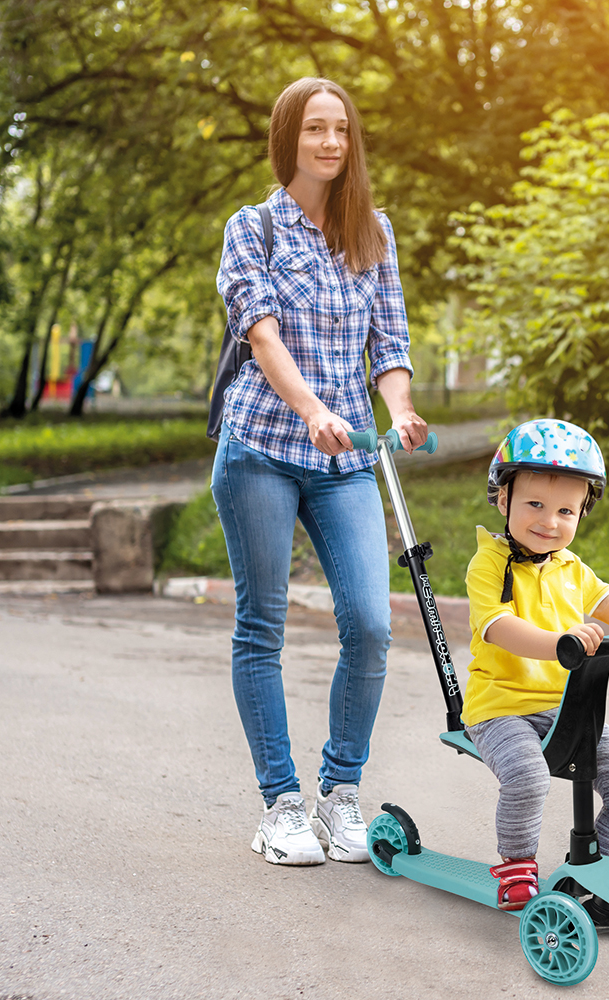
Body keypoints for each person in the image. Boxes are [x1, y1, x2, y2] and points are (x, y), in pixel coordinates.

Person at [212, 77, 428, 867]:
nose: (330, 143)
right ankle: (281, 804)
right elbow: (262, 337)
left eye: (340, 129)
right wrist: (311, 409)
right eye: (315, 129)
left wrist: (397, 408)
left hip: (344, 462)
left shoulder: (373, 230)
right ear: (288, 138)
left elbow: (389, 342)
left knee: (371, 626)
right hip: (263, 447)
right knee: (261, 627)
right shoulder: (254, 228)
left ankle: (341, 794)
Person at [462, 419, 609, 924]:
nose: (549, 521)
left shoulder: (571, 567)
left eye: (565, 510)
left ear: (582, 511)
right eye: (534, 504)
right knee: (527, 776)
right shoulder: (489, 564)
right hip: (498, 709)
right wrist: (557, 644)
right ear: (503, 500)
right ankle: (516, 867)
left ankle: (601, 871)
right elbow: (496, 627)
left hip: (561, 708)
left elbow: (605, 599)